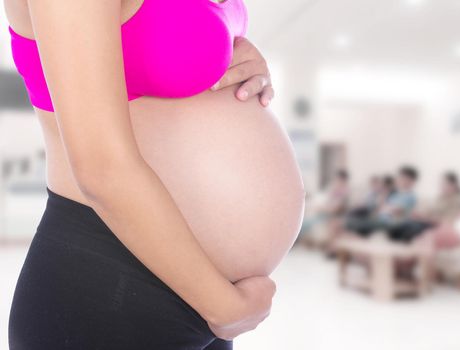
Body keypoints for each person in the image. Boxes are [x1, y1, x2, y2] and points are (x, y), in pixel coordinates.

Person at [6, 1, 306, 349]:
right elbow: (100, 165)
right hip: (109, 285)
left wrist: (238, 54)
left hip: (202, 295)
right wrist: (223, 306)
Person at [345, 166, 419, 237]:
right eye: (399, 177)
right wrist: (384, 195)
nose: (399, 179)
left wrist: (386, 208)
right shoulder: (395, 194)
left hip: (389, 224)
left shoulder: (410, 196)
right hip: (379, 220)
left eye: (403, 178)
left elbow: (396, 210)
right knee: (351, 221)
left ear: (411, 181)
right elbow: (380, 207)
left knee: (349, 223)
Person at [299, 169, 350, 238]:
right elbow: (327, 201)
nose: (336, 182)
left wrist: (321, 208)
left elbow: (335, 209)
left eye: (337, 179)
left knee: (306, 224)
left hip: (329, 216)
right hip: (324, 213)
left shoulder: (344, 192)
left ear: (342, 180)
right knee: (305, 222)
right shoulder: (334, 190)